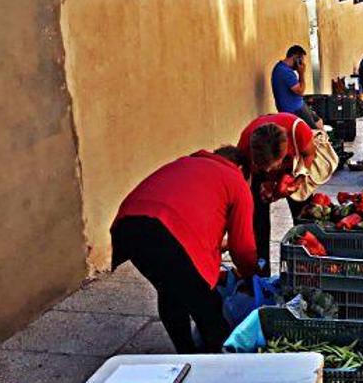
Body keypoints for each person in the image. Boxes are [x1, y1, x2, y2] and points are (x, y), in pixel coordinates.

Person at [110, 146, 258, 354]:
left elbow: (186, 211)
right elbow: (242, 248)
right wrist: (251, 276)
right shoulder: (235, 179)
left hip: (129, 226)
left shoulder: (185, 163)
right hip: (169, 234)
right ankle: (216, 361)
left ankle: (186, 351)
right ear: (242, 169)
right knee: (208, 307)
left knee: (169, 287)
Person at [237, 113, 316, 276]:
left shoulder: (298, 130)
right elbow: (242, 183)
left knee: (305, 218)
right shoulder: (245, 144)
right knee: (257, 221)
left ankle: (307, 268)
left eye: (273, 166)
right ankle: (261, 270)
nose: (269, 171)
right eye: (265, 167)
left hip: (291, 170)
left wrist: (299, 179)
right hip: (258, 176)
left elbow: (309, 154)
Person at [271, 45, 323, 129]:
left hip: (299, 104)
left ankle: (325, 141)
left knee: (318, 121)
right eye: (301, 60)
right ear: (295, 57)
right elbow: (300, 91)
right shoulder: (284, 71)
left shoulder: (284, 69)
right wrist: (301, 73)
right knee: (314, 131)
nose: (302, 63)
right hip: (293, 109)